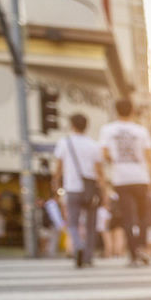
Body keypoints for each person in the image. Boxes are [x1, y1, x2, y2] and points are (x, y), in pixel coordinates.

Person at [99, 97, 151, 266]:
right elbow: (149, 157)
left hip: (121, 178)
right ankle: (141, 247)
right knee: (144, 215)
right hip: (141, 178)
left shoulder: (108, 130)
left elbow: (104, 153)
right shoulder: (140, 131)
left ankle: (133, 252)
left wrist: (114, 161)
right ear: (132, 110)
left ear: (116, 111)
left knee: (128, 217)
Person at [51, 113, 104, 267]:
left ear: (72, 125)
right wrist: (104, 191)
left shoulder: (64, 143)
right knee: (90, 224)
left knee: (72, 223)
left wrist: (55, 183)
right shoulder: (93, 144)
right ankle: (88, 255)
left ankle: (78, 246)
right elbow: (99, 171)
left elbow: (59, 167)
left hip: (72, 187)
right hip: (90, 188)